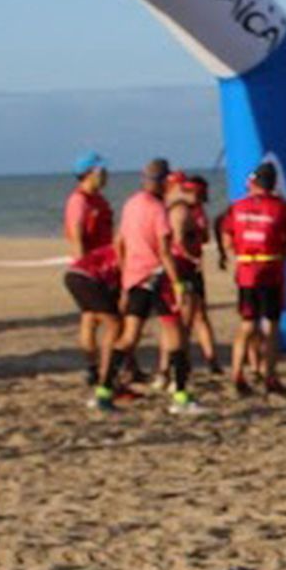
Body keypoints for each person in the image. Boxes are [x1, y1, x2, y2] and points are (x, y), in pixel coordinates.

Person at [99, 157, 199, 414]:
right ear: (164, 181)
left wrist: (124, 278)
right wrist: (177, 283)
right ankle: (180, 395)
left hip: (134, 277)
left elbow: (119, 241)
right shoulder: (157, 209)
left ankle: (104, 390)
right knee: (176, 333)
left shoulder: (131, 204)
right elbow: (165, 251)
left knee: (129, 337)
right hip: (156, 276)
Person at [223, 161, 286, 395]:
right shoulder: (281, 207)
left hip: (246, 271)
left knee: (246, 325)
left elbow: (226, 235)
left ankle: (237, 374)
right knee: (271, 326)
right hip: (270, 270)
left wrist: (235, 252)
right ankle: (269, 376)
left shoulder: (238, 206)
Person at [62, 151, 121, 403]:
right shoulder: (79, 201)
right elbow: (76, 235)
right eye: (101, 171)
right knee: (99, 319)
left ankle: (98, 366)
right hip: (90, 269)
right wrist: (88, 265)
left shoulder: (99, 199)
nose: (105, 175)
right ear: (89, 173)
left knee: (91, 317)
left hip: (105, 265)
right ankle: (94, 367)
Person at [164, 171, 222, 379]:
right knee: (183, 319)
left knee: (200, 315)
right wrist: (191, 256)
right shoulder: (178, 210)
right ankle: (177, 362)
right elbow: (177, 242)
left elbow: (204, 237)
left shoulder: (197, 211)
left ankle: (212, 360)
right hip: (183, 266)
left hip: (194, 268)